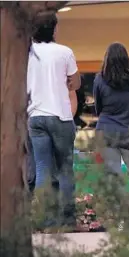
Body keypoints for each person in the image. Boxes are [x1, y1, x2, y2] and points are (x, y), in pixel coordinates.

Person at [27, 13, 81, 229]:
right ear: (54, 29)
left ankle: (45, 219)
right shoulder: (64, 52)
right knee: (66, 168)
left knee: (42, 169)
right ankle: (67, 220)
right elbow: (75, 83)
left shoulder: (27, 54)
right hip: (60, 115)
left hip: (35, 117)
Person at [93, 42, 129, 220]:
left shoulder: (100, 79)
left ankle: (119, 221)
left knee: (113, 180)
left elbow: (98, 108)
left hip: (106, 132)